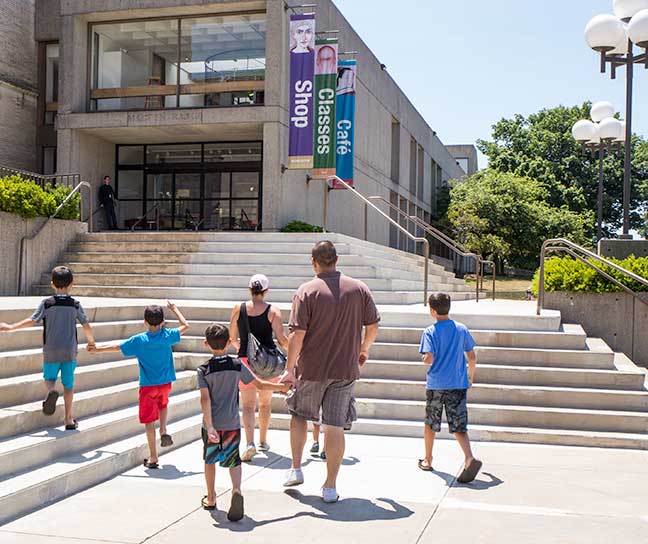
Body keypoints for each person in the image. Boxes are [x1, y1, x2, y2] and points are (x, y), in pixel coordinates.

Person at [281, 240, 380, 503]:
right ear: (336, 259)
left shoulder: (306, 291)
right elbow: (373, 325)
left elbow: (297, 334)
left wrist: (289, 369)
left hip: (311, 368)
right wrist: (364, 349)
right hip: (345, 369)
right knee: (335, 427)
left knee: (299, 416)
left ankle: (296, 468)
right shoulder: (359, 289)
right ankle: (330, 486)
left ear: (313, 262)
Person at [198, 323, 290, 520]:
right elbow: (259, 384)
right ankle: (237, 490)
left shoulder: (204, 370)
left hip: (212, 425)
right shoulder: (237, 365)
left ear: (206, 344)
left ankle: (212, 497)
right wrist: (281, 388)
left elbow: (205, 399)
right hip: (231, 423)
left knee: (210, 460)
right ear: (228, 342)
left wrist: (210, 425)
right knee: (233, 460)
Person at [92, 301, 189, 468]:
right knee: (163, 404)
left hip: (148, 386)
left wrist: (97, 349)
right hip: (165, 383)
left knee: (149, 420)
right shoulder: (167, 336)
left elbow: (117, 347)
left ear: (145, 322)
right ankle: (164, 429)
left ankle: (153, 457)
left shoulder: (139, 340)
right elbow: (186, 325)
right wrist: (174, 309)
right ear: (163, 322)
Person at [0, 266, 95, 429]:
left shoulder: (47, 303)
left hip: (51, 350)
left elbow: (32, 320)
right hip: (69, 351)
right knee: (69, 385)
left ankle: (51, 391)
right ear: (71, 284)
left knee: (49, 379)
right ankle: (68, 419)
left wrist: (11, 327)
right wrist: (91, 342)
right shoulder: (75, 305)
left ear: (52, 284)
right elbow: (86, 325)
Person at [418, 293, 482, 483]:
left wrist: (424, 359)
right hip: (458, 384)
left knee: (431, 423)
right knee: (459, 424)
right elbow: (472, 357)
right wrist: (470, 377)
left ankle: (428, 460)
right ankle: (469, 457)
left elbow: (428, 358)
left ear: (432, 310)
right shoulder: (461, 329)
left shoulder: (430, 331)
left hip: (437, 384)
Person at [228, 274, 288, 462]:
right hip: (267, 364)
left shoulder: (239, 308)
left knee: (246, 405)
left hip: (245, 361)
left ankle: (249, 443)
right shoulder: (273, 311)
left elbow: (232, 337)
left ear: (249, 290)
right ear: (266, 291)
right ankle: (263, 441)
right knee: (265, 403)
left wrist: (242, 350)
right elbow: (282, 340)